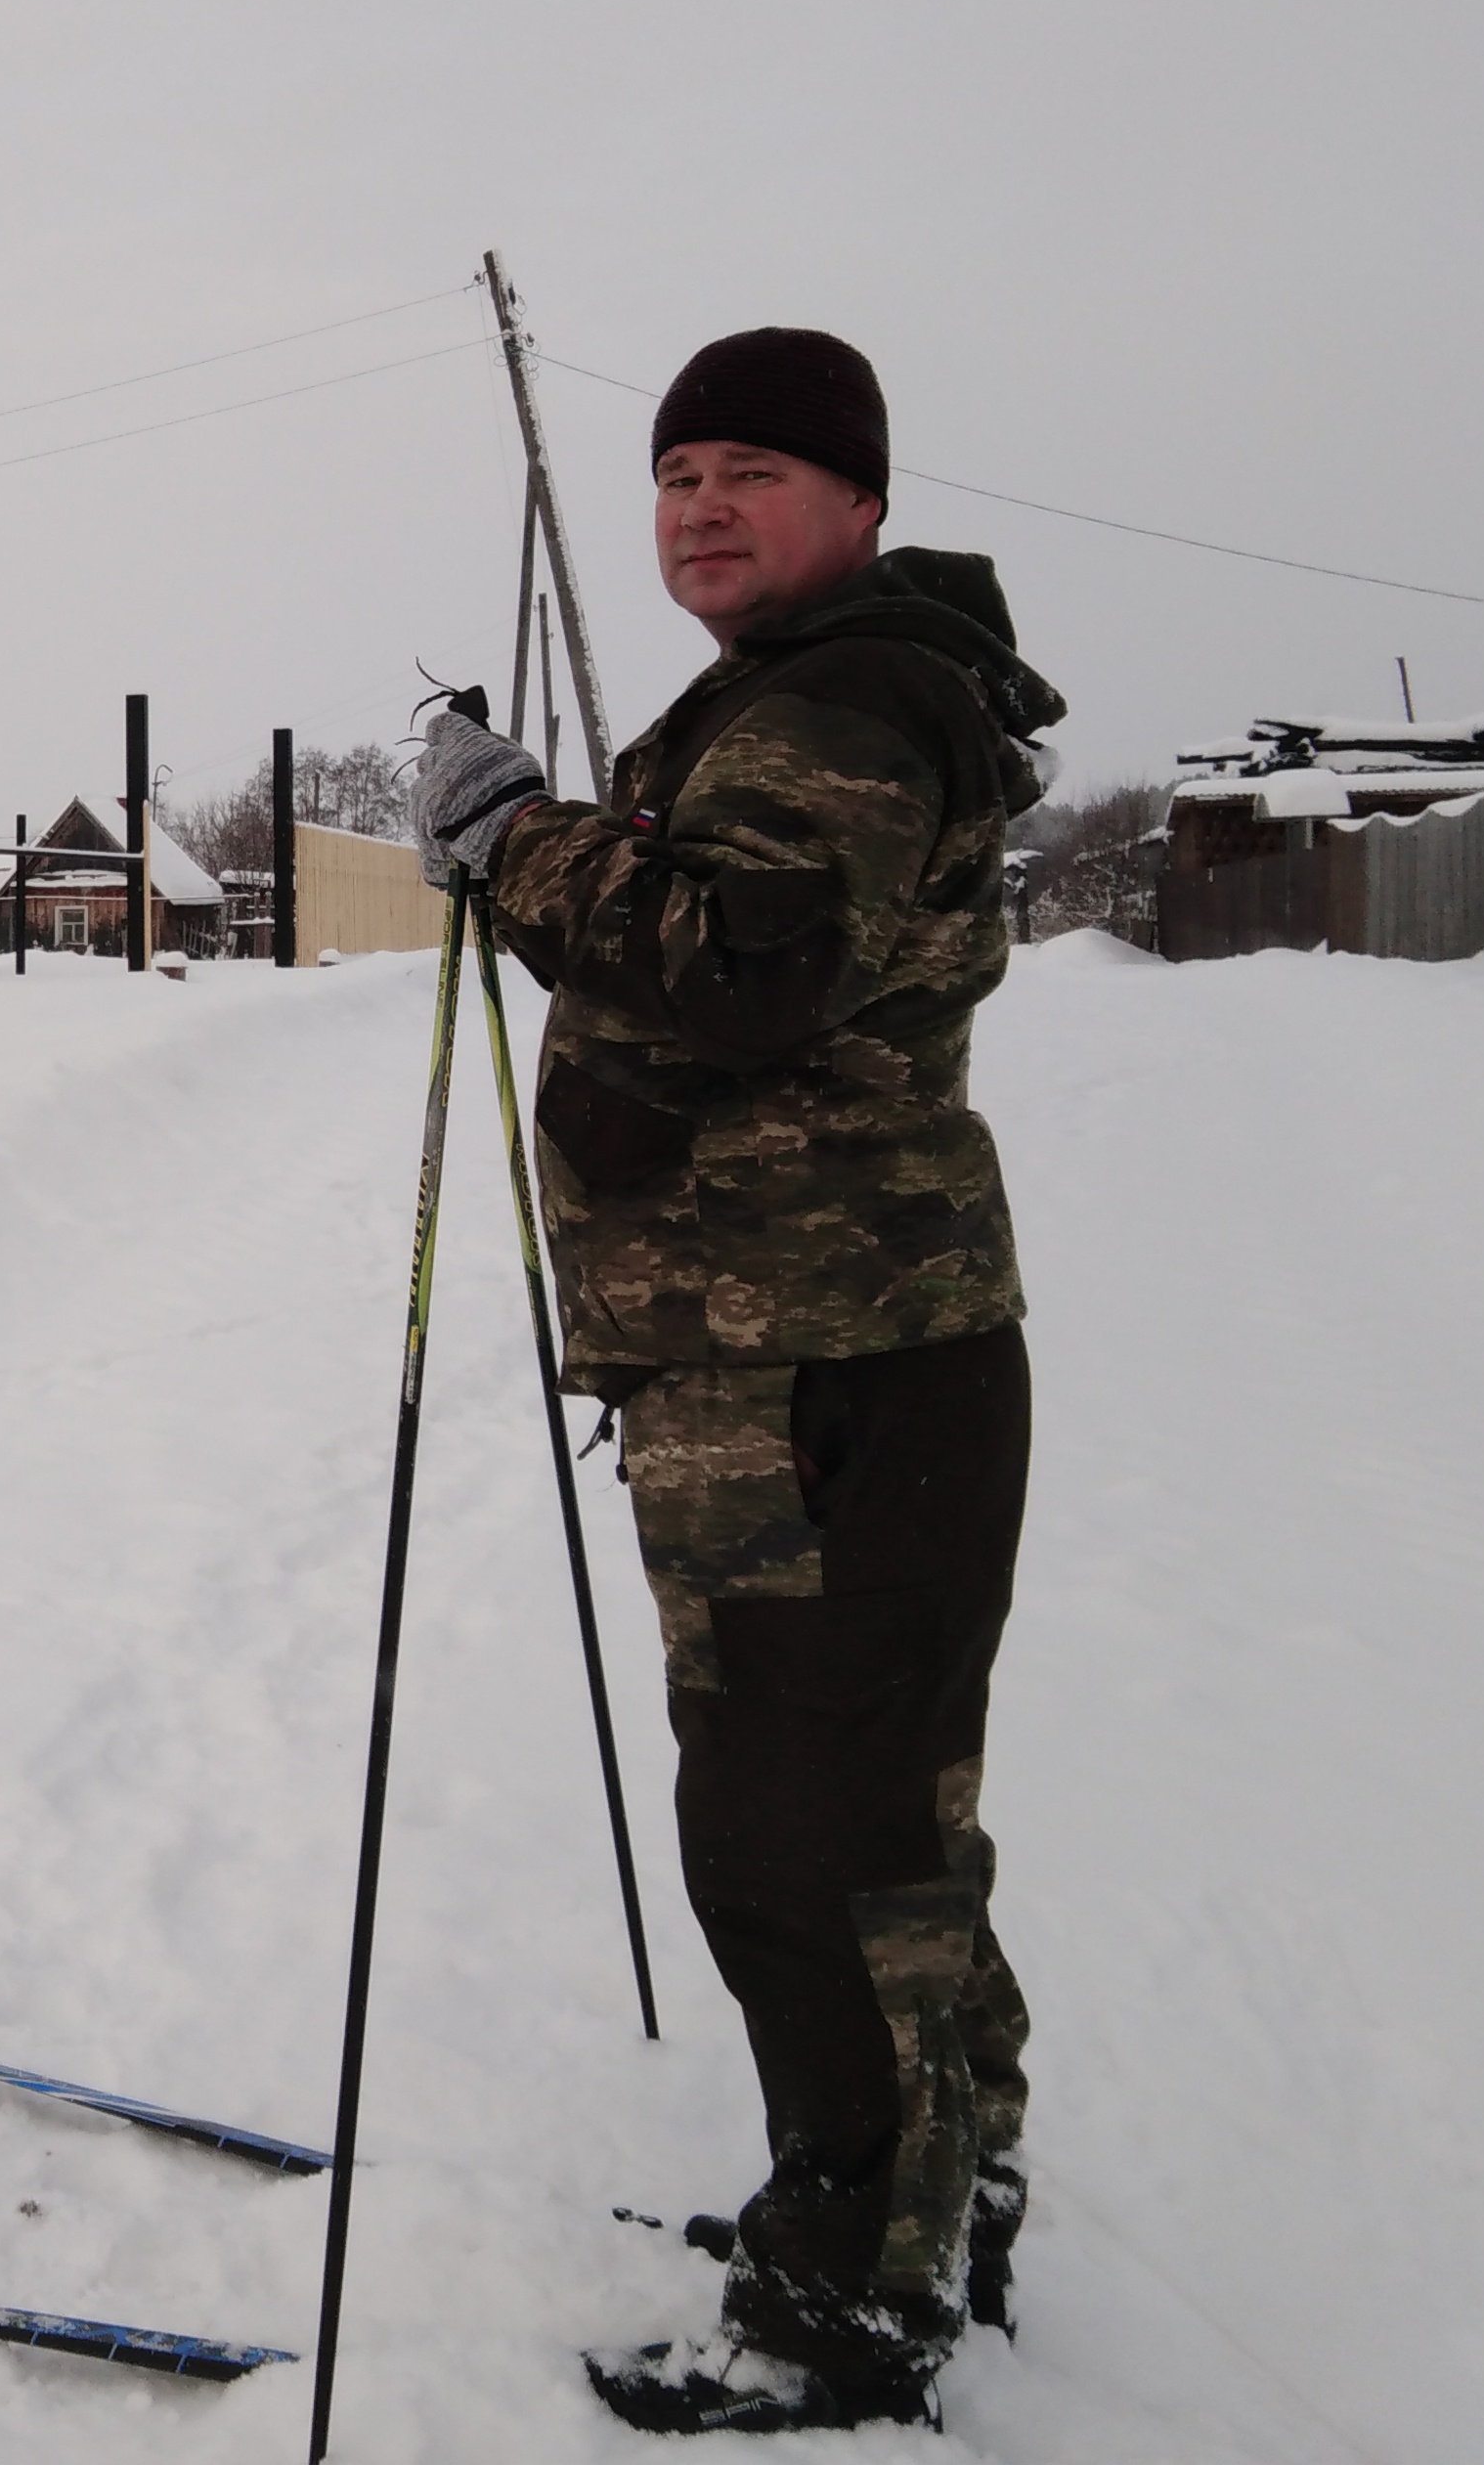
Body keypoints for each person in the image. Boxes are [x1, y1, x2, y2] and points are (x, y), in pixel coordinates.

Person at [414, 327, 1064, 2435]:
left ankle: (856, 2296)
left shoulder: (851, 699)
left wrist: (511, 836)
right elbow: (715, 931)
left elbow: (734, 961)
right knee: (880, 1820)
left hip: (821, 1375)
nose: (701, 504)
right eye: (678, 468)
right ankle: (934, 2198)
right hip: (825, 1363)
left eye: (755, 470)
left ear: (857, 502)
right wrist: (549, 846)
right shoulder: (815, 692)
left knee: (799, 1845)